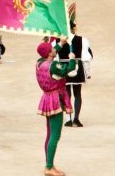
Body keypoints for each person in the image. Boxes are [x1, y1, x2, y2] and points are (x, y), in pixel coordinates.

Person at [36, 41, 76, 176]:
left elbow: (51, 57)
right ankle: (49, 167)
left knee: (49, 133)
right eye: (52, 49)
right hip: (55, 100)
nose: (54, 49)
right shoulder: (53, 66)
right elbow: (66, 69)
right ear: (48, 53)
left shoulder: (39, 62)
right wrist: (72, 59)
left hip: (47, 98)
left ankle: (49, 163)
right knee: (55, 135)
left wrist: (61, 44)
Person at [57, 18, 93, 127]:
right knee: (77, 94)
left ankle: (68, 119)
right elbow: (88, 57)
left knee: (66, 94)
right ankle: (76, 118)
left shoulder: (57, 41)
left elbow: (55, 58)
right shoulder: (82, 39)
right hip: (78, 67)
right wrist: (87, 72)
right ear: (73, 28)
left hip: (63, 68)